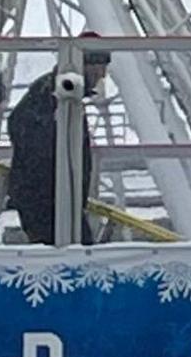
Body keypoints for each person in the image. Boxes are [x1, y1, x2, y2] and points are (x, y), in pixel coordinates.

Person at [6, 39, 112, 244]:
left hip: (54, 197)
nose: (102, 76)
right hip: (47, 198)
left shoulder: (53, 94)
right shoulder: (51, 95)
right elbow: (22, 128)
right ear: (86, 65)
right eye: (99, 69)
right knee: (77, 251)